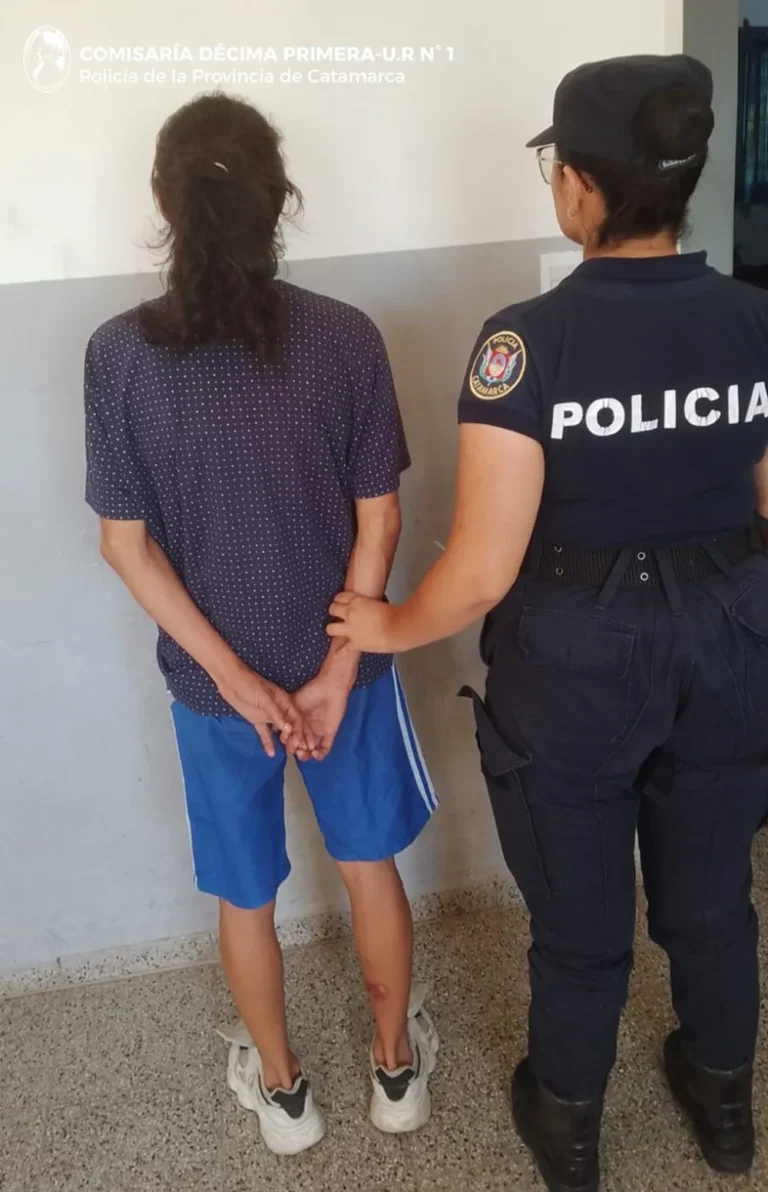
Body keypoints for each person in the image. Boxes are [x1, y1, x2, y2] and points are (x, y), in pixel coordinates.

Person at [328, 54, 768, 1192]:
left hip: (579, 658)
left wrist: (384, 626)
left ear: (580, 185)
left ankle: (570, 1131)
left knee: (582, 925)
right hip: (732, 639)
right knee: (714, 902)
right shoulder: (753, 320)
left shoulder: (524, 343)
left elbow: (481, 573)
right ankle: (726, 1110)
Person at [83, 92, 438, 1157]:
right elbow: (382, 519)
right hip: (348, 673)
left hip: (213, 689)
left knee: (245, 893)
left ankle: (284, 1096)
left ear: (164, 204)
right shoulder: (346, 336)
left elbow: (125, 545)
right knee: (369, 865)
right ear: (280, 202)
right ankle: (396, 1072)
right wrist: (332, 668)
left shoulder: (117, 355)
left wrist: (238, 683)